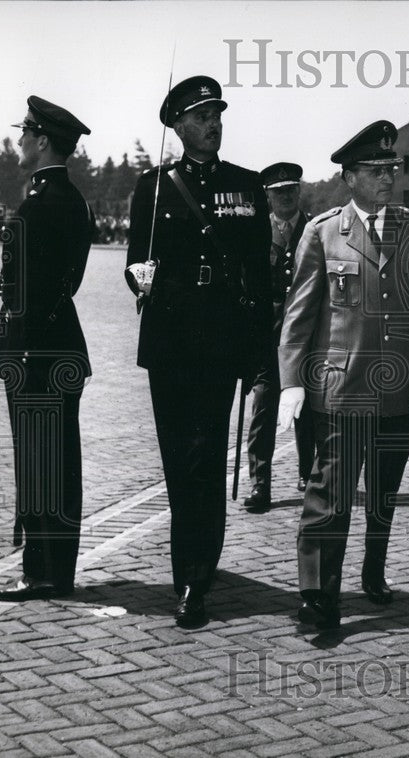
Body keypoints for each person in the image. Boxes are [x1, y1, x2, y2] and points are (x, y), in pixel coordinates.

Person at [277, 120, 409, 630]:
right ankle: (317, 595)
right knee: (329, 495)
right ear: (349, 177)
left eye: (391, 169)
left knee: (383, 491)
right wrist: (291, 381)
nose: (387, 178)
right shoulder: (323, 232)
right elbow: (299, 314)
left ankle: (373, 567)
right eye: (376, 171)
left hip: (398, 390)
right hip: (342, 387)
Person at [125, 75, 272, 628]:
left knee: (206, 457)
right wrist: (138, 277)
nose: (213, 125)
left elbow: (259, 275)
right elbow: (136, 258)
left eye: (217, 115)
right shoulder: (153, 187)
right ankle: (190, 560)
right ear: (179, 126)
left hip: (220, 339)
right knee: (177, 459)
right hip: (169, 339)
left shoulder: (246, 186)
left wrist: (258, 349)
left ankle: (194, 579)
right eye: (202, 117)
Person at [0, 97, 93, 602]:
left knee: (38, 465)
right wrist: (1, 283)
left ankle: (41, 572)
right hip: (61, 344)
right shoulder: (75, 200)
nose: (19, 141)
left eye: (25, 133)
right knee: (60, 463)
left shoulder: (37, 206)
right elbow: (58, 283)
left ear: (42, 141)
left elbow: (29, 292)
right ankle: (57, 569)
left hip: (34, 352)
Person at [243, 162, 315, 510]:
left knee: (308, 408)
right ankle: (260, 484)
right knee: (263, 407)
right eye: (278, 191)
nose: (286, 196)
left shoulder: (315, 229)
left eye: (291, 189)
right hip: (266, 336)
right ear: (268, 197)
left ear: (299, 192)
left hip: (306, 335)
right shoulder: (256, 232)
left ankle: (308, 473)